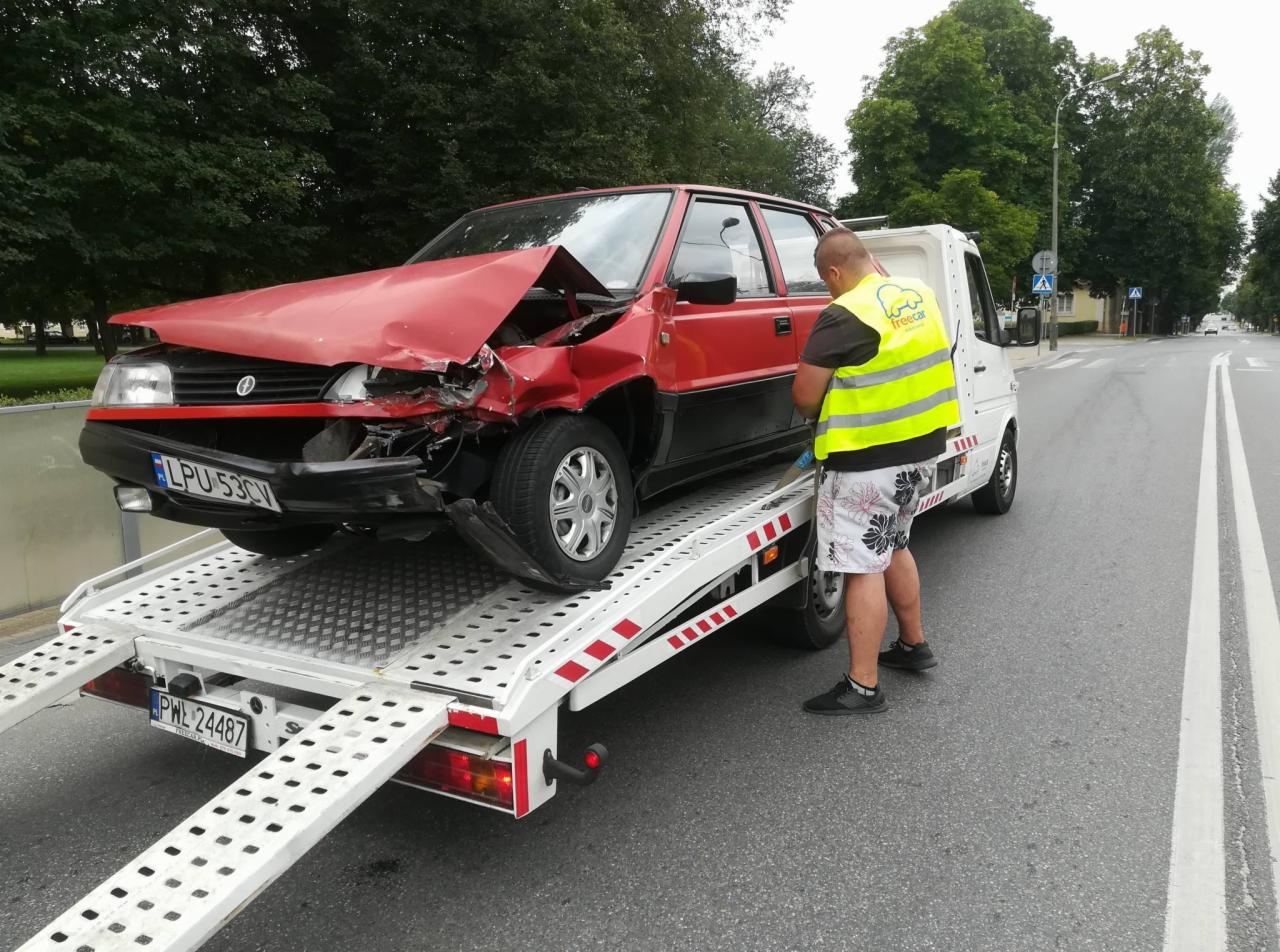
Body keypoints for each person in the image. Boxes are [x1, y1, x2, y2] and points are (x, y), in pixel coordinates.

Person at [791, 228, 960, 715]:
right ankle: (913, 645)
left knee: (861, 566)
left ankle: (863, 686)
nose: (828, 290)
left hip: (867, 461)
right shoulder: (918, 294)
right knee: (895, 544)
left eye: (827, 281)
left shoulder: (841, 315)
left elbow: (805, 399)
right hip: (921, 452)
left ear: (835, 272)